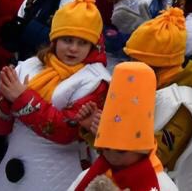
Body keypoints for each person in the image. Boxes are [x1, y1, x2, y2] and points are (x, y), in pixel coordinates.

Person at [0, 0, 112, 190]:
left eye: (82, 43)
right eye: (67, 40)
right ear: (54, 40)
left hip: (59, 172)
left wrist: (21, 99)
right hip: (14, 167)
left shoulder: (94, 81)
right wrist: (5, 101)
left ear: (92, 46)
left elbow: (67, 130)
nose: (73, 48)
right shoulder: (31, 66)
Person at [123, 8, 192, 189]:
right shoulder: (149, 86)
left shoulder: (184, 104)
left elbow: (158, 156)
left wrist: (108, 132)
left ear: (162, 68)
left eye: (138, 64)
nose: (131, 70)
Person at [63, 60, 178, 191]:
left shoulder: (161, 185)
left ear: (142, 149)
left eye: (121, 151)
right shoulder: (90, 176)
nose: (112, 158)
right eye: (105, 149)